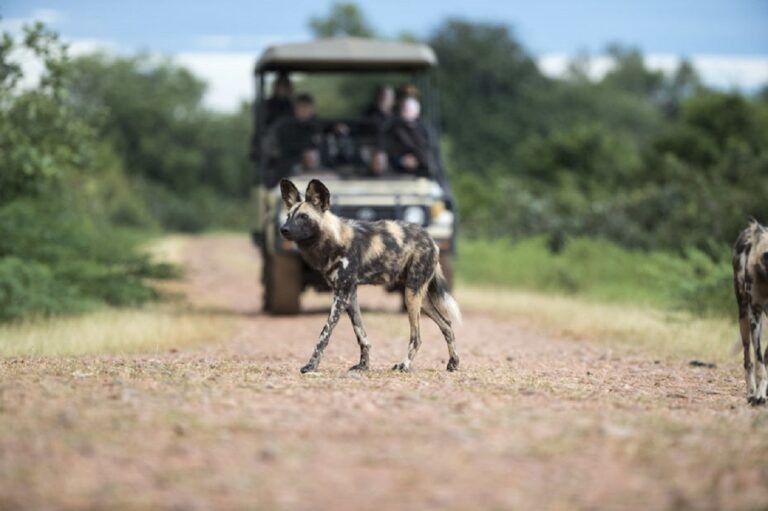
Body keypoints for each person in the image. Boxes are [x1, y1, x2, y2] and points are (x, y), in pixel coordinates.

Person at [383, 96, 435, 175]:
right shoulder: (392, 129)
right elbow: (387, 151)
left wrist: (418, 160)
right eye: (404, 109)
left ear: (416, 113)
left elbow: (431, 152)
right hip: (396, 173)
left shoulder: (425, 131)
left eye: (408, 110)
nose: (405, 112)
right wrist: (401, 161)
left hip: (422, 172)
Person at [274, 93, 321, 171]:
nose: (304, 111)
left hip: (318, 170)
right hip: (291, 169)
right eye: (301, 107)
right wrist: (303, 155)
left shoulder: (317, 126)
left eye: (307, 107)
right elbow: (284, 153)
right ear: (295, 109)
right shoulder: (285, 128)